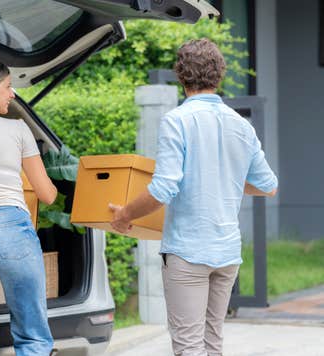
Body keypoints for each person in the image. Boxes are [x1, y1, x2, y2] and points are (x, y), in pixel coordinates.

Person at [109, 38, 278, 356]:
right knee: (212, 342)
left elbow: (163, 189)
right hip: (227, 253)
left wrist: (125, 215)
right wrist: (224, 179)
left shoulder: (177, 120)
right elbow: (268, 185)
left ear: (181, 75)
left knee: (188, 346)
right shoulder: (241, 125)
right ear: (220, 75)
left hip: (188, 252)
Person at [0, 58, 57, 356]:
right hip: (10, 229)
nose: (13, 94)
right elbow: (46, 195)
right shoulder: (18, 129)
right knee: (32, 337)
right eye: (8, 87)